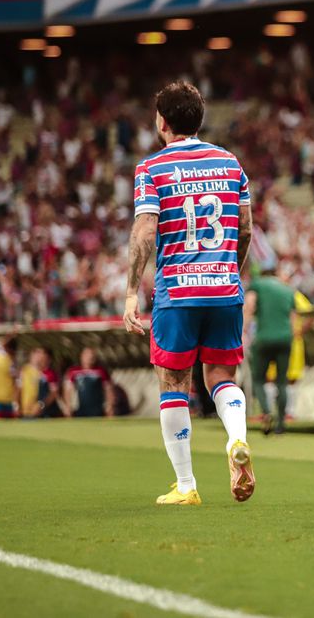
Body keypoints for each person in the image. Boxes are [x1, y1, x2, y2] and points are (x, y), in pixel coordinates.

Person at [123, 81, 256, 506]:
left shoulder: (152, 168)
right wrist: (228, 272)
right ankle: (236, 439)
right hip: (224, 288)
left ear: (162, 122)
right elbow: (247, 228)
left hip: (177, 293)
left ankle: (186, 485)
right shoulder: (230, 162)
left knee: (174, 381)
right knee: (221, 377)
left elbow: (145, 232)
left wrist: (130, 293)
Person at [245, 263, 296, 435]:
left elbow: (250, 306)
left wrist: (244, 330)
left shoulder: (258, 284)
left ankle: (266, 413)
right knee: (282, 382)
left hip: (264, 338)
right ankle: (281, 423)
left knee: (259, 379)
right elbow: (292, 318)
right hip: (285, 338)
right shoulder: (288, 290)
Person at [62, 347, 113, 418]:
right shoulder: (73, 371)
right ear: (81, 356)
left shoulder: (101, 371)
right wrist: (68, 406)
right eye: (87, 355)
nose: (90, 357)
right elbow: (67, 390)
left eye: (92, 355)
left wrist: (110, 406)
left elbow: (108, 390)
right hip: (80, 409)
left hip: (98, 410)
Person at [20, 347, 66, 418]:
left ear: (49, 360)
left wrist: (41, 405)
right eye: (40, 357)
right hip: (31, 411)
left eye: (44, 358)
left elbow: (54, 393)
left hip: (47, 413)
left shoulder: (50, 374)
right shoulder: (29, 371)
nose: (41, 360)